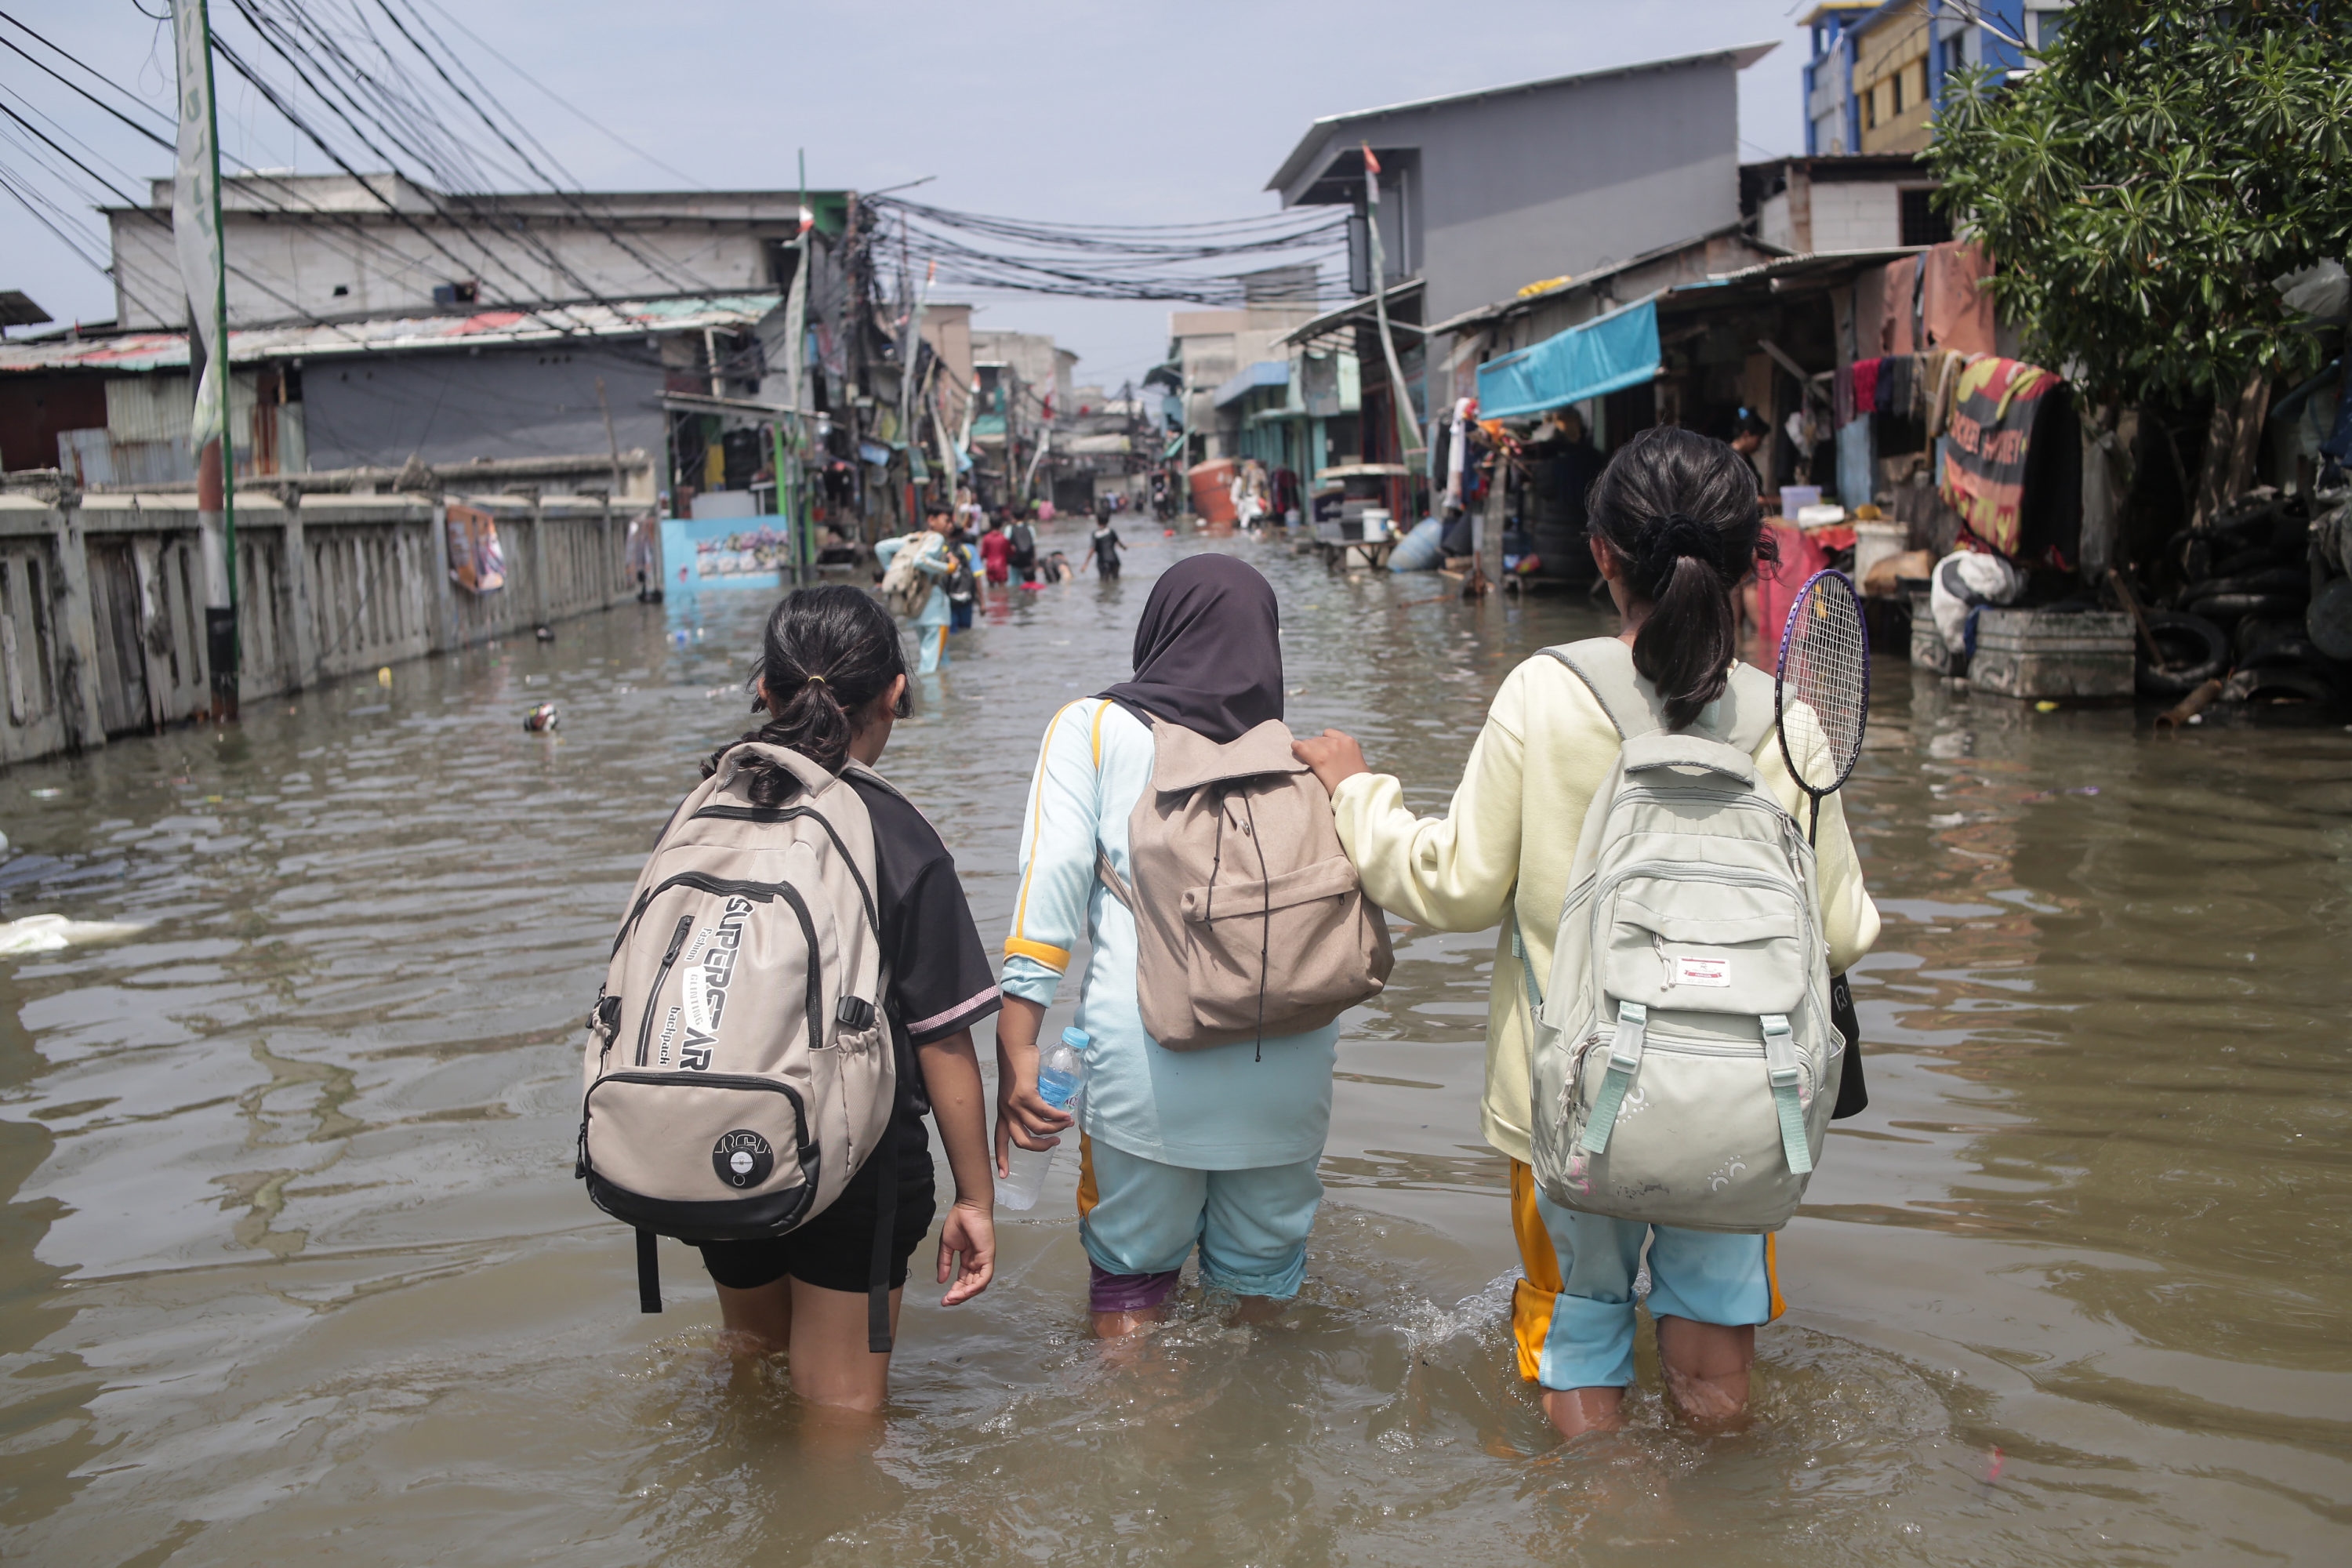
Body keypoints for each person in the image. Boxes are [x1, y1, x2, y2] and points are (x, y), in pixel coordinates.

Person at [1293, 426, 1879, 1440]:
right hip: (1743, 1106)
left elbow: (1453, 886)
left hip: (1567, 1100)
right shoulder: (1788, 721)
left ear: (1602, 553)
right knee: (1714, 1345)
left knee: (1578, 1325)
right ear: (1749, 563)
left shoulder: (1545, 693)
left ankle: (1604, 1509)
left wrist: (1357, 795)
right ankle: (1723, 1507)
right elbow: (1843, 929)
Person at [996, 557, 1338, 1337]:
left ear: (1160, 631)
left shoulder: (1091, 727)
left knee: (1132, 1284)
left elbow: (1049, 888)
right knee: (1260, 1296)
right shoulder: (1307, 758)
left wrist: (1017, 1048)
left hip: (1145, 1060)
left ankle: (1138, 1416)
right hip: (1289, 1062)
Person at [695, 585, 1001, 1410]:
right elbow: (943, 1039)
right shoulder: (893, 832)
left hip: (716, 1137)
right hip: (853, 1157)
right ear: (896, 693)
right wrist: (975, 1198)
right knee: (841, 1419)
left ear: (765, 691)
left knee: (753, 1367)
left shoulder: (710, 805)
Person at [875, 506, 957, 672]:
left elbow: (881, 548)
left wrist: (893, 571)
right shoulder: (937, 538)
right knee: (932, 664)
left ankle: (941, 687)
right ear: (931, 520)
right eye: (947, 521)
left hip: (916, 605)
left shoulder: (914, 539)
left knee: (934, 657)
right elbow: (921, 560)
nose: (951, 526)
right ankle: (930, 689)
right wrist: (949, 568)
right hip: (934, 608)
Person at [1730, 410, 1770, 495]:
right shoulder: (1730, 459)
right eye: (1758, 440)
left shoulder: (1745, 458)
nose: (1759, 445)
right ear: (1746, 435)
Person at [1080, 503, 1124, 580]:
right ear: (1108, 521)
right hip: (1114, 560)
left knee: (1104, 582)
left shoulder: (1096, 534)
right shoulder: (1111, 531)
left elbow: (1092, 549)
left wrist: (1086, 564)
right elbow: (1119, 543)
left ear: (1097, 521)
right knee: (1116, 579)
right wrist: (1124, 547)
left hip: (1103, 562)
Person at [1007, 510, 1038, 587]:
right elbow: (1034, 545)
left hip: (1015, 561)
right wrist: (1034, 560)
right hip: (1028, 561)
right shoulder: (1030, 528)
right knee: (1028, 583)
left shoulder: (1009, 529)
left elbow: (1006, 545)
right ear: (1025, 516)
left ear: (1013, 516)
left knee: (1014, 583)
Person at [979, 515, 1013, 589]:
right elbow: (1010, 553)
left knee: (991, 588)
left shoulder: (986, 538)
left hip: (990, 566)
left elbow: (983, 554)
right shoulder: (1004, 538)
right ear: (1001, 525)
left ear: (990, 525)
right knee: (1002, 588)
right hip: (1001, 566)